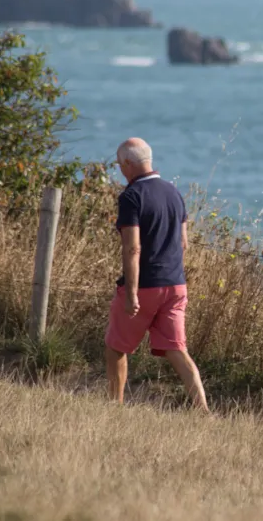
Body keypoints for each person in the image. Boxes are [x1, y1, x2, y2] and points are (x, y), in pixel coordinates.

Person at [104, 137, 209, 411]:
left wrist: (131, 293)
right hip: (176, 284)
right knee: (177, 348)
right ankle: (203, 409)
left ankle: (115, 405)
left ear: (128, 163)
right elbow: (183, 243)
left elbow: (132, 248)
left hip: (146, 285)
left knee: (116, 346)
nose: (120, 171)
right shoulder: (174, 192)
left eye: (120, 165)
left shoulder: (131, 196)